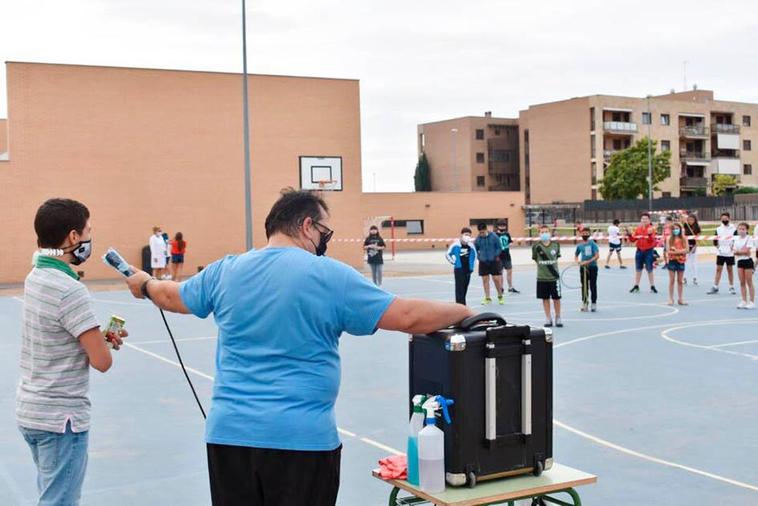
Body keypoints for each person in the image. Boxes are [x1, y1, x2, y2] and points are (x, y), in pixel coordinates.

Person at [123, 190, 473, 505]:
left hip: (229, 439)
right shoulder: (329, 275)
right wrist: (466, 313)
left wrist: (146, 283)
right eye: (326, 233)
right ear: (307, 226)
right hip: (300, 442)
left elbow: (171, 296)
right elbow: (407, 316)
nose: (326, 242)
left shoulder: (225, 271)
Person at [17, 198, 127, 506]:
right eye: (89, 230)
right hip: (61, 420)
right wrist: (104, 342)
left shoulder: (35, 276)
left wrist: (97, 337)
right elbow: (102, 361)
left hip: (32, 412)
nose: (91, 237)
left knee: (52, 495)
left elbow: (60, 333)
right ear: (74, 237)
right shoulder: (70, 290)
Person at [532, 224, 562, 327]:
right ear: (539, 233)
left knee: (556, 298)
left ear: (549, 233)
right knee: (545, 298)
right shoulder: (536, 246)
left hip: (554, 277)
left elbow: (556, 258)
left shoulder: (556, 245)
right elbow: (536, 259)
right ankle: (548, 318)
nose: (544, 234)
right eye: (542, 232)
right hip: (541, 277)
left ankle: (558, 317)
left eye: (546, 232)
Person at [474, 223, 505, 305]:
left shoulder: (494, 236)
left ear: (486, 229)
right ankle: (487, 298)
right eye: (480, 232)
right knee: (485, 280)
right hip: (483, 262)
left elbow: (499, 247)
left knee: (496, 279)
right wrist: (479, 257)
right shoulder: (478, 239)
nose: (481, 234)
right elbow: (475, 249)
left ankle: (500, 296)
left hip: (494, 261)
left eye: (483, 232)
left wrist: (496, 255)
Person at [707, 212, 737, 295]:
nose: (724, 220)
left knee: (730, 269)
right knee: (718, 269)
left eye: (725, 218)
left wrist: (733, 248)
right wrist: (717, 247)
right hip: (720, 252)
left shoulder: (733, 228)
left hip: (730, 253)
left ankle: (731, 287)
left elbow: (736, 239)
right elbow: (715, 240)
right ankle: (715, 286)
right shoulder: (718, 229)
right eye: (722, 219)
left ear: (729, 218)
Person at [446, 228, 477, 305]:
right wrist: (454, 262)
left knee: (465, 287)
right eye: (466, 235)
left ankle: (463, 303)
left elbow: (475, 256)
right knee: (459, 288)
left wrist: (472, 267)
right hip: (459, 269)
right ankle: (460, 305)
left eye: (469, 235)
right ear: (462, 235)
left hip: (468, 269)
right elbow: (447, 254)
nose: (467, 236)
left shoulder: (471, 246)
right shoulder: (455, 245)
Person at [629, 213, 658, 293]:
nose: (644, 220)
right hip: (639, 250)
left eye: (646, 219)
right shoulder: (638, 229)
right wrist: (629, 235)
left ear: (649, 220)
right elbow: (633, 240)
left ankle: (652, 286)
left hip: (649, 250)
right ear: (640, 220)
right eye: (642, 219)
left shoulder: (652, 229)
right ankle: (636, 285)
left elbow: (651, 241)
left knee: (649, 268)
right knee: (638, 268)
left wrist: (649, 234)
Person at [574, 229, 599, 312]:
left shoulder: (592, 244)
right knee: (584, 286)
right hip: (583, 268)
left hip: (592, 267)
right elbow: (576, 255)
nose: (585, 234)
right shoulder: (579, 245)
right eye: (583, 233)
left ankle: (594, 303)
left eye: (587, 233)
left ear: (589, 234)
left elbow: (597, 256)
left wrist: (588, 261)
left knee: (593, 285)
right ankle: (585, 302)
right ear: (581, 234)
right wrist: (578, 262)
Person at [733, 222, 755, 309]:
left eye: (743, 229)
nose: (741, 231)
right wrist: (739, 252)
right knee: (742, 282)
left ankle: (752, 301)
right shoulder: (736, 239)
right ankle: (743, 300)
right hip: (740, 262)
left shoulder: (749, 238)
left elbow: (747, 252)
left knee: (749, 282)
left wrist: (739, 252)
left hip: (748, 262)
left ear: (746, 230)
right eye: (740, 229)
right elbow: (734, 251)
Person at [666, 223, 688, 305]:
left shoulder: (684, 238)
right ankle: (671, 299)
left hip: (681, 261)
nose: (676, 230)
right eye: (674, 229)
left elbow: (687, 250)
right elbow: (668, 251)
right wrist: (678, 252)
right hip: (672, 261)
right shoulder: (669, 239)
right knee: (671, 280)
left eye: (677, 228)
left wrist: (677, 251)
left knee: (680, 281)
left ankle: (680, 298)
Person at [496, 221, 520, 293]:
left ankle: (510, 287)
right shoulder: (495, 235)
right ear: (498, 226)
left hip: (507, 255)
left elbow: (510, 242)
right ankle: (501, 287)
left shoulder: (507, 234)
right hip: (499, 256)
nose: (502, 227)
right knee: (500, 273)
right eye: (501, 226)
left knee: (509, 271)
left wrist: (512, 244)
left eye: (503, 226)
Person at [682, 214, 701, 285]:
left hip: (693, 246)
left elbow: (698, 238)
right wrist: (683, 218)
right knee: (685, 262)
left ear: (695, 220)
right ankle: (684, 278)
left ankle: (695, 278)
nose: (690, 221)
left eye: (692, 220)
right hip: (686, 246)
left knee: (694, 263)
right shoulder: (686, 225)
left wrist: (695, 247)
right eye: (689, 220)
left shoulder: (697, 227)